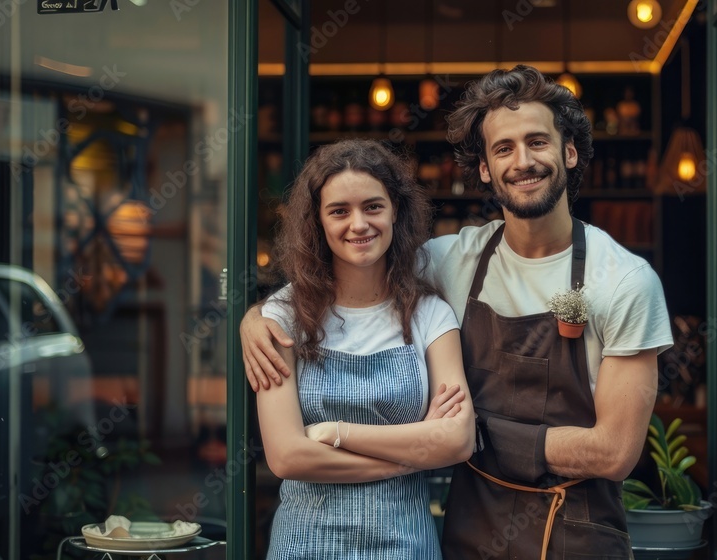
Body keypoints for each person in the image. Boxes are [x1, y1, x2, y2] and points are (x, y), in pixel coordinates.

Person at [243, 66, 673, 559]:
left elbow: (614, 452)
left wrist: (468, 435)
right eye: (504, 148)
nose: (523, 161)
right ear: (486, 168)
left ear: (569, 151)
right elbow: (354, 267)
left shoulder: (624, 281)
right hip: (475, 531)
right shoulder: (450, 259)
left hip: (576, 529)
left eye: (538, 141)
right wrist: (258, 318)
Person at [255, 139, 475, 560]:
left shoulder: (431, 314)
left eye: (373, 207)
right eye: (339, 211)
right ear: (317, 222)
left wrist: (336, 434)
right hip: (305, 543)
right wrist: (410, 457)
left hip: (405, 544)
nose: (359, 224)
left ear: (395, 211)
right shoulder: (284, 314)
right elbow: (286, 456)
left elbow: (458, 439)